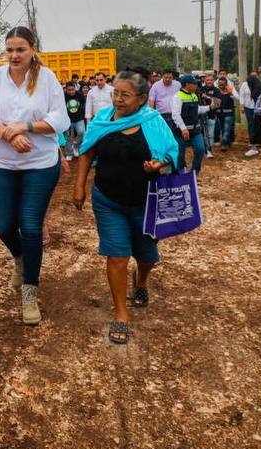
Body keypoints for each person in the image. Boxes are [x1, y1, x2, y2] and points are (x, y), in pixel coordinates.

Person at [73, 67, 178, 344]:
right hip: (108, 199)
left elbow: (172, 152)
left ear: (142, 98)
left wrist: (160, 163)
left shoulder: (154, 121)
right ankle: (121, 314)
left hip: (146, 201)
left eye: (125, 95)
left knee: (147, 255)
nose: (118, 99)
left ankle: (141, 281)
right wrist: (79, 186)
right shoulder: (101, 121)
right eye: (115, 93)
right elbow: (87, 152)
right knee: (117, 255)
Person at [0, 26, 70, 326]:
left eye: (20, 49)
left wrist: (26, 127)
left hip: (40, 164)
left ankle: (30, 290)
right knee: (5, 227)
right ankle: (19, 258)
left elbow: (61, 119)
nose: (15, 55)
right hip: (3, 163)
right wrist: (8, 133)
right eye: (10, 50)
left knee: (30, 226)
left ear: (33, 49)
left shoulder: (46, 79)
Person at [171, 76, 208, 175]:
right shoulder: (177, 96)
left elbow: (196, 110)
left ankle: (194, 173)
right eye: (194, 83)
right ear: (187, 85)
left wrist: (209, 107)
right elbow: (175, 114)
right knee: (180, 154)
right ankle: (181, 173)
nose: (196, 85)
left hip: (195, 130)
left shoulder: (194, 95)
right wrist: (183, 129)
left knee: (200, 149)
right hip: (181, 131)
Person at [239, 72, 261, 157]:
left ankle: (258, 147)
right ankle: (255, 146)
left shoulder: (258, 88)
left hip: (260, 111)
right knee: (253, 126)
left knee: (259, 127)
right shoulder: (255, 86)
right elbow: (242, 95)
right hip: (255, 109)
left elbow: (260, 102)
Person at [147, 68, 181, 135]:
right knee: (165, 135)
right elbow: (151, 101)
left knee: (177, 136)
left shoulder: (178, 85)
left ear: (172, 77)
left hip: (176, 114)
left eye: (170, 77)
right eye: (166, 77)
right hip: (162, 115)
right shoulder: (156, 86)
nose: (168, 79)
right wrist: (152, 115)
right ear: (162, 76)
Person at [63, 80, 86, 159]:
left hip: (79, 118)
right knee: (68, 136)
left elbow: (83, 105)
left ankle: (76, 146)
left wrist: (83, 115)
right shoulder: (63, 96)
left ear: (75, 88)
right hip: (67, 120)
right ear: (66, 89)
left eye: (72, 89)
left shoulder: (80, 95)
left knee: (82, 132)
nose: (71, 91)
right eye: (69, 90)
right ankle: (69, 153)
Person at [214, 76, 239, 150]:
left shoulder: (230, 89)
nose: (221, 86)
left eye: (223, 84)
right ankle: (226, 141)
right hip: (219, 113)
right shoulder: (216, 91)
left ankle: (224, 144)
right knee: (222, 128)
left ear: (226, 84)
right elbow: (215, 104)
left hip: (229, 113)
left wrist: (231, 93)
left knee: (227, 128)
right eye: (220, 84)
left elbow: (237, 98)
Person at [198, 74, 219, 157]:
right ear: (205, 81)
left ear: (213, 81)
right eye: (208, 80)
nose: (209, 81)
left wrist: (207, 97)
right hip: (200, 115)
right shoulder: (200, 89)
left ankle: (209, 150)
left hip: (211, 115)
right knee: (201, 134)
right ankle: (203, 150)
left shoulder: (216, 90)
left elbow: (217, 103)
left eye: (211, 80)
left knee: (210, 134)